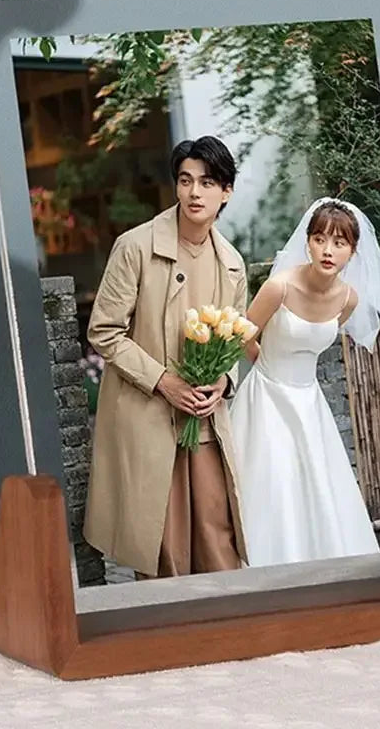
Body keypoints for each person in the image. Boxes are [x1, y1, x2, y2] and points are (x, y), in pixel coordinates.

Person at [83, 135, 249, 579]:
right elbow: (103, 330)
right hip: (151, 414)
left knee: (217, 531)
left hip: (204, 418)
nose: (195, 192)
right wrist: (163, 381)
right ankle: (167, 631)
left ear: (226, 191)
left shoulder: (232, 263)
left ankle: (227, 626)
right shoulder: (135, 247)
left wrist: (222, 383)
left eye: (208, 182)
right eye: (185, 180)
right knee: (165, 542)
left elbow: (235, 340)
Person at [228, 197, 380, 567]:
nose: (328, 250)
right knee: (273, 485)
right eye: (320, 239)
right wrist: (266, 368)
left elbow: (316, 342)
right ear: (307, 241)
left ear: (352, 251)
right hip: (266, 397)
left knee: (319, 488)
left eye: (339, 243)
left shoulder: (349, 299)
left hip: (309, 403)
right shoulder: (278, 287)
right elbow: (243, 333)